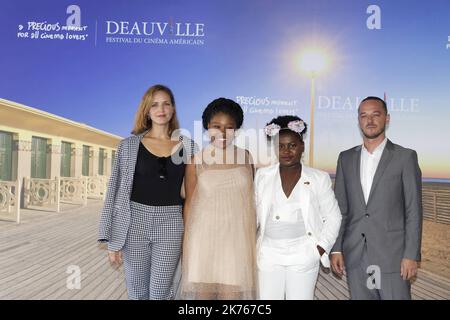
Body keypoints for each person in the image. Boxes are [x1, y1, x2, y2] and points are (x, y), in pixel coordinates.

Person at [98, 84, 197, 300]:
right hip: (134, 222)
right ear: (147, 110)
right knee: (137, 293)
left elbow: (194, 193)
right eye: (154, 105)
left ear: (172, 109)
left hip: (171, 224)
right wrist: (111, 239)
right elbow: (114, 192)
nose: (161, 109)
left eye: (166, 104)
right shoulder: (129, 145)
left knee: (160, 293)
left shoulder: (189, 146)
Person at [330, 96, 422, 300]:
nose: (369, 120)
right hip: (355, 256)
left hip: (393, 257)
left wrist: (411, 255)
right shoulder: (345, 158)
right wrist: (336, 248)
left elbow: (413, 210)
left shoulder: (405, 157)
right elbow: (341, 209)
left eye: (375, 115)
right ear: (358, 120)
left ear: (387, 119)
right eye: (364, 115)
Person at [254, 115, 342, 300]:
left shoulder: (319, 178)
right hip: (269, 253)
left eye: (292, 145)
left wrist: (319, 248)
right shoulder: (262, 175)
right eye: (281, 146)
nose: (286, 151)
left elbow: (333, 217)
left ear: (302, 146)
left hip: (303, 252)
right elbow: (253, 214)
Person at [179, 97, 257, 300]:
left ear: (237, 129)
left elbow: (251, 200)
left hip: (236, 241)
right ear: (207, 127)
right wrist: (186, 245)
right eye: (216, 126)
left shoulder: (246, 157)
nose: (222, 133)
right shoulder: (196, 161)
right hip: (203, 239)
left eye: (229, 127)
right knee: (203, 300)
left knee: (232, 298)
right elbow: (189, 205)